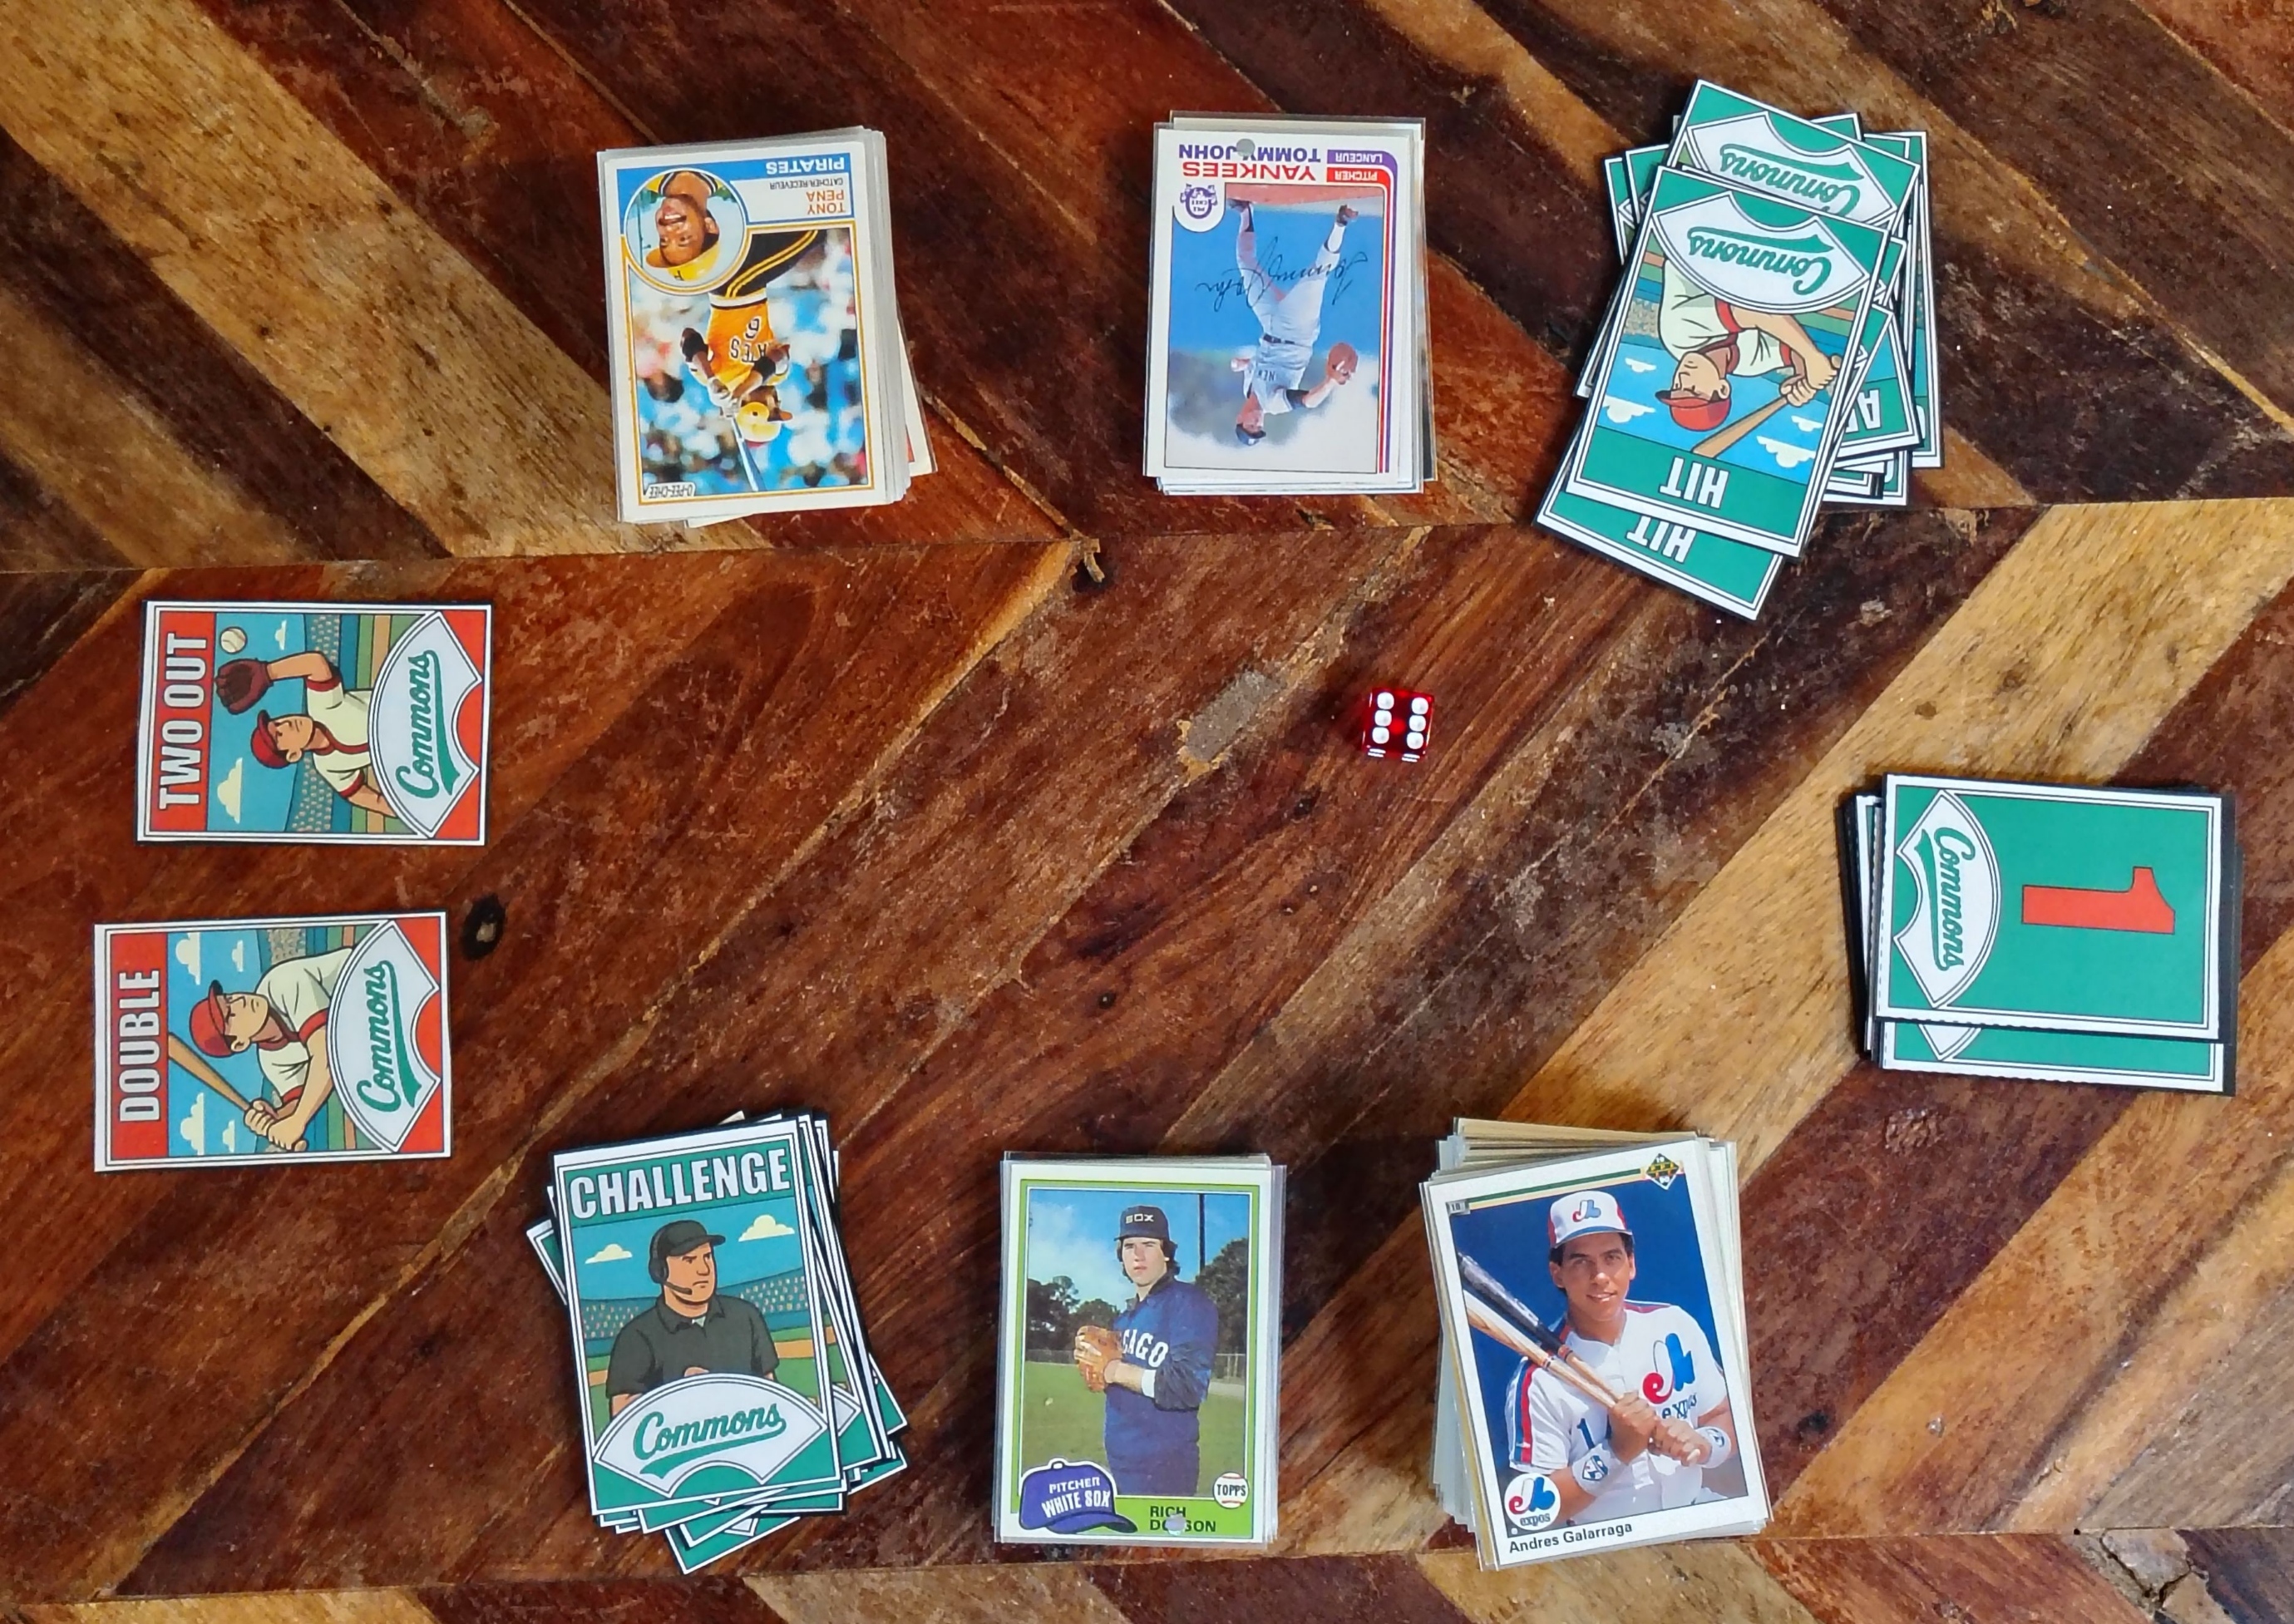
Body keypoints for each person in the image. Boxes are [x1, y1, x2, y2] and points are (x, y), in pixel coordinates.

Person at [1507, 1190, 1740, 1525]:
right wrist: (1617, 1451)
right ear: (1557, 1274)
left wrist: (1704, 1443)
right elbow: (1539, 1511)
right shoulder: (1538, 1379)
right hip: (1608, 1546)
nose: (1599, 1275)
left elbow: (1724, 1415)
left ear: (1631, 1265)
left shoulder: (1674, 1324)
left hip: (1696, 1510)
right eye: (1581, 1261)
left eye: (1611, 1258)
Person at [1075, 1205, 1221, 1495]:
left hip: (1165, 1466)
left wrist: (1113, 1369)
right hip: (1121, 1462)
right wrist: (1100, 1371)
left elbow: (1187, 1387)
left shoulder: (1188, 1303)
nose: (1137, 1255)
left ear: (1166, 1252)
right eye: (1129, 1246)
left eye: (1149, 1245)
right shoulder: (1124, 1319)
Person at [606, 1220, 780, 1417]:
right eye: (689, 1260)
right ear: (660, 1271)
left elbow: (770, 1388)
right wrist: (680, 1393)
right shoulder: (636, 1337)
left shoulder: (746, 1316)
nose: (704, 1270)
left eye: (707, 1257)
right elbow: (621, 1417)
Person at [186, 945, 352, 1152]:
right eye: (231, 1015)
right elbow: (301, 1099)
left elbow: (326, 1052)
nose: (239, 1001)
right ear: (240, 1043)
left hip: (378, 976)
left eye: (228, 998)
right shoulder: (271, 1060)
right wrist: (276, 1117)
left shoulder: (280, 984)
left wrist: (297, 1122)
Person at [1653, 254, 1839, 432]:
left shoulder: (1678, 334)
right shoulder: (1749, 364)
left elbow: (1754, 311)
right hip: (1741, 262)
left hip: (1700, 247)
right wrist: (1802, 375)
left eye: (1676, 387)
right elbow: (1792, 351)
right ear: (1723, 388)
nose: (1682, 378)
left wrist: (1812, 357)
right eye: (1693, 389)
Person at [1229, 200, 1360, 447]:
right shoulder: (1273, 405)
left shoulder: (1248, 388)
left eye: (1250, 426)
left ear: (1240, 417)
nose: (1256, 424)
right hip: (1296, 330)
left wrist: (1242, 363)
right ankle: (1341, 223)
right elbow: (1308, 401)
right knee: (1317, 275)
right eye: (1258, 428)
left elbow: (1254, 365)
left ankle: (1246, 211)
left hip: (1269, 323)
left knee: (1245, 261)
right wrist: (1330, 382)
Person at [230, 649, 395, 821]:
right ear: (294, 755)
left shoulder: (322, 707)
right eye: (279, 735)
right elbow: (370, 799)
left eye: (277, 723)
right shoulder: (327, 766)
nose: (286, 724)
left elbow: (315, 664)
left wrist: (268, 673)